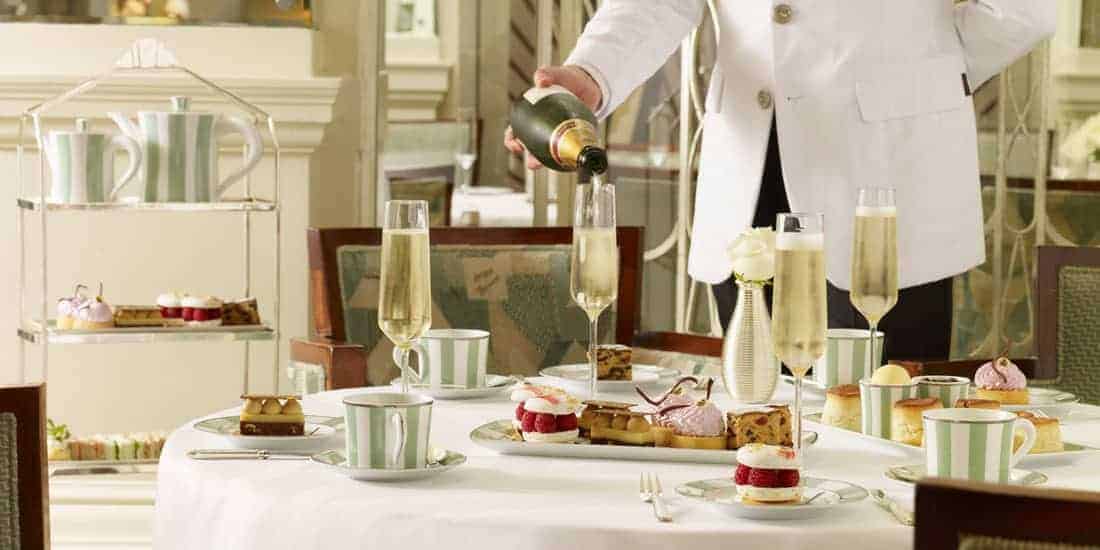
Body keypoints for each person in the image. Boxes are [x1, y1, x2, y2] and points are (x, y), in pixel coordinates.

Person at [505, 1, 1056, 360]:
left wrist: (926, 73)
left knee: (886, 430)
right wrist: (591, 74)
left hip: (886, 176)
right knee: (756, 436)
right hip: (748, 177)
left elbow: (1025, 8)